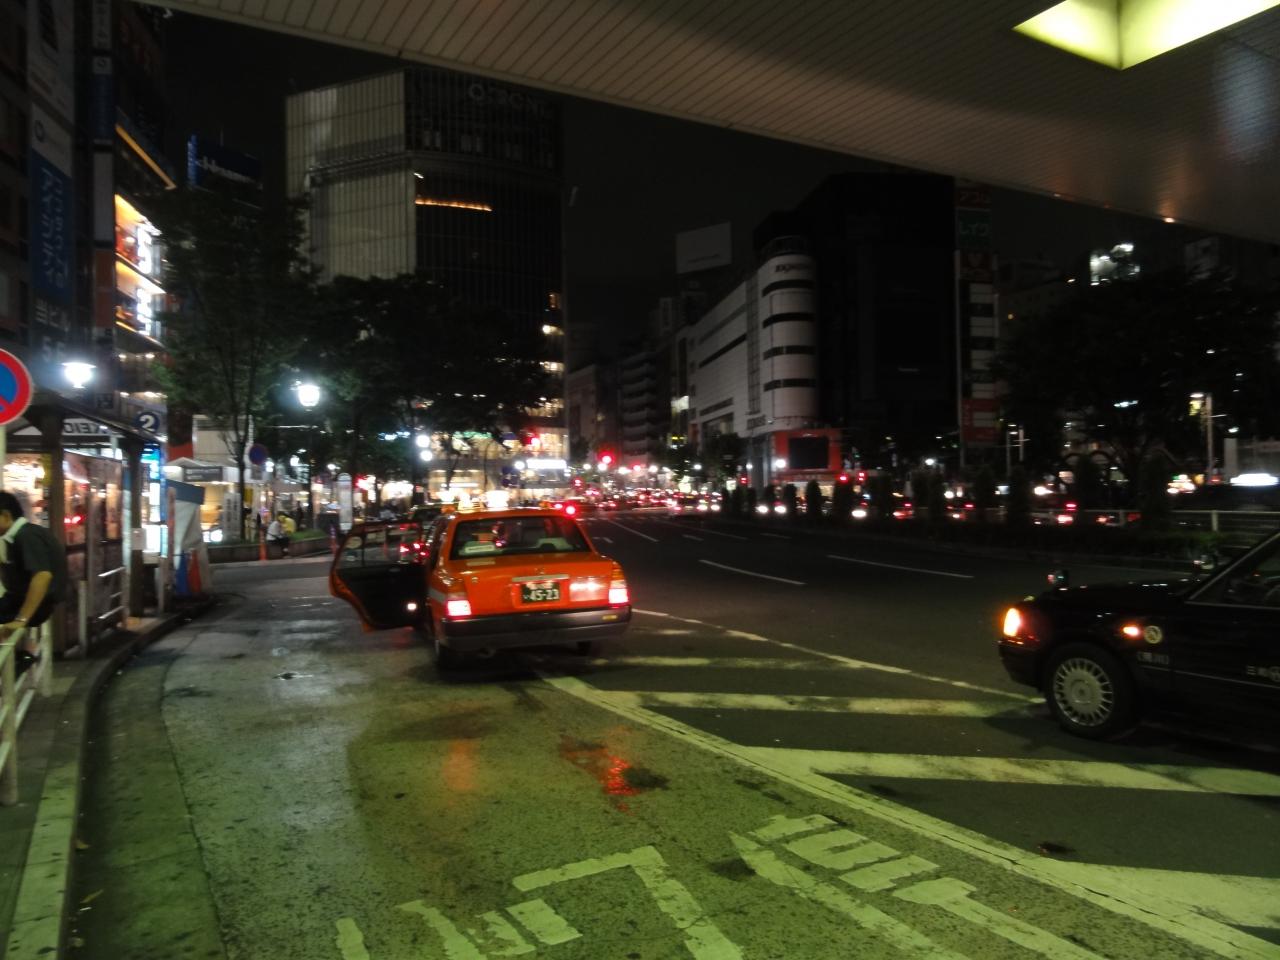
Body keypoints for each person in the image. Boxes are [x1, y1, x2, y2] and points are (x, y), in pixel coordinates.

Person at [0, 491, 68, 677]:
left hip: (33, 606)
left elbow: (42, 576)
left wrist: (21, 620)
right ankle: (21, 656)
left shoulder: (26, 536)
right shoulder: (23, 534)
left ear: (6, 515)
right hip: (23, 602)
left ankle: (21, 657)